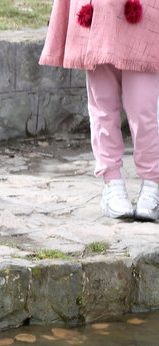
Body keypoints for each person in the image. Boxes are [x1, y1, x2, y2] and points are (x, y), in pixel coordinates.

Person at [39, 0, 159, 221]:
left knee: (144, 108)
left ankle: (153, 183)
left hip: (145, 14)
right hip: (100, 14)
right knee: (102, 106)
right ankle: (111, 181)